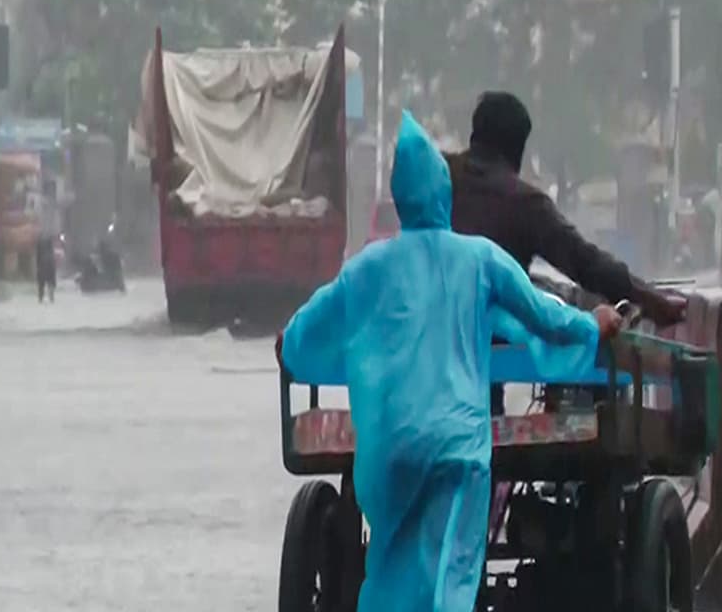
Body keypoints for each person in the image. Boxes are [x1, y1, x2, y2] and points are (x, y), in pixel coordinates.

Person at [279, 112, 621, 612]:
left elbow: (303, 332)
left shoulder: (367, 267)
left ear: (401, 198)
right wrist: (593, 325)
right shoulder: (479, 259)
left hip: (389, 452)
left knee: (389, 566)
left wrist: (287, 346)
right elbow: (544, 315)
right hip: (456, 450)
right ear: (443, 193)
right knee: (451, 574)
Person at [444, 91, 685, 412]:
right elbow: (586, 264)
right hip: (487, 347)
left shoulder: (439, 178)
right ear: (519, 149)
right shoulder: (524, 203)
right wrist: (651, 300)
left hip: (429, 343)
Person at [36, 180, 61, 303]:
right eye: (51, 190)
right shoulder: (41, 203)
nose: (52, 193)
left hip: (48, 239)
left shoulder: (52, 205)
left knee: (49, 267)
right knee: (43, 267)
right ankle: (42, 293)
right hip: (42, 239)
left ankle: (49, 293)